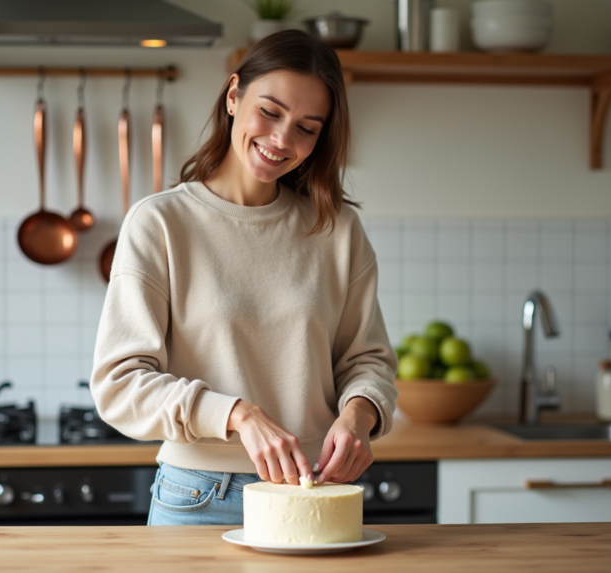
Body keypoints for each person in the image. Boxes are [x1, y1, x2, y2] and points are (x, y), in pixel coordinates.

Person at [90, 30, 398, 526]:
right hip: (197, 498)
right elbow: (119, 384)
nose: (282, 140)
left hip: (315, 494)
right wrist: (235, 414)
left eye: (307, 127)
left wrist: (359, 415)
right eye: (270, 112)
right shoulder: (161, 223)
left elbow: (367, 360)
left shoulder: (337, 229)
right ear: (234, 96)